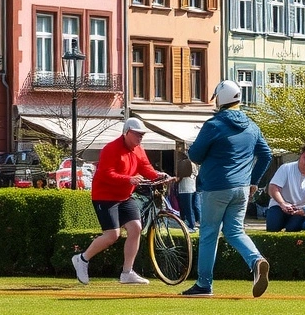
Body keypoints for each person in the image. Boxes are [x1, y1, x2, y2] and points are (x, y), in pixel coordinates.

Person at [181, 80, 273, 298]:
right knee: (234, 231)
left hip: (216, 187)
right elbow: (266, 155)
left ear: (220, 99)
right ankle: (256, 260)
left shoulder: (213, 125)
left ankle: (204, 284)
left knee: (209, 234)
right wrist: (254, 181)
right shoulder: (252, 126)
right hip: (241, 188)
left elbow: (194, 155)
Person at [71, 118, 164, 285]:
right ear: (126, 132)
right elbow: (106, 174)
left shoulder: (138, 149)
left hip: (125, 196)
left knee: (136, 228)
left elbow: (145, 168)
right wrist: (129, 179)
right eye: (137, 134)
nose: (140, 138)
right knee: (112, 235)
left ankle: (127, 273)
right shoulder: (111, 149)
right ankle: (82, 259)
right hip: (105, 196)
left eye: (142, 135)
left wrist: (159, 176)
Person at [265, 144, 305, 232]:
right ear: (300, 156)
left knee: (293, 228)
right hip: (279, 206)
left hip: (302, 210)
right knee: (273, 227)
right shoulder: (286, 168)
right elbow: (273, 188)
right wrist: (282, 203)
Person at [175, 160, 200, 232]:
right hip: (192, 188)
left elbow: (178, 178)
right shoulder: (195, 166)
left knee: (187, 208)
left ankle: (191, 225)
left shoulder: (186, 164)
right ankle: (195, 222)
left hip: (184, 190)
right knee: (192, 207)